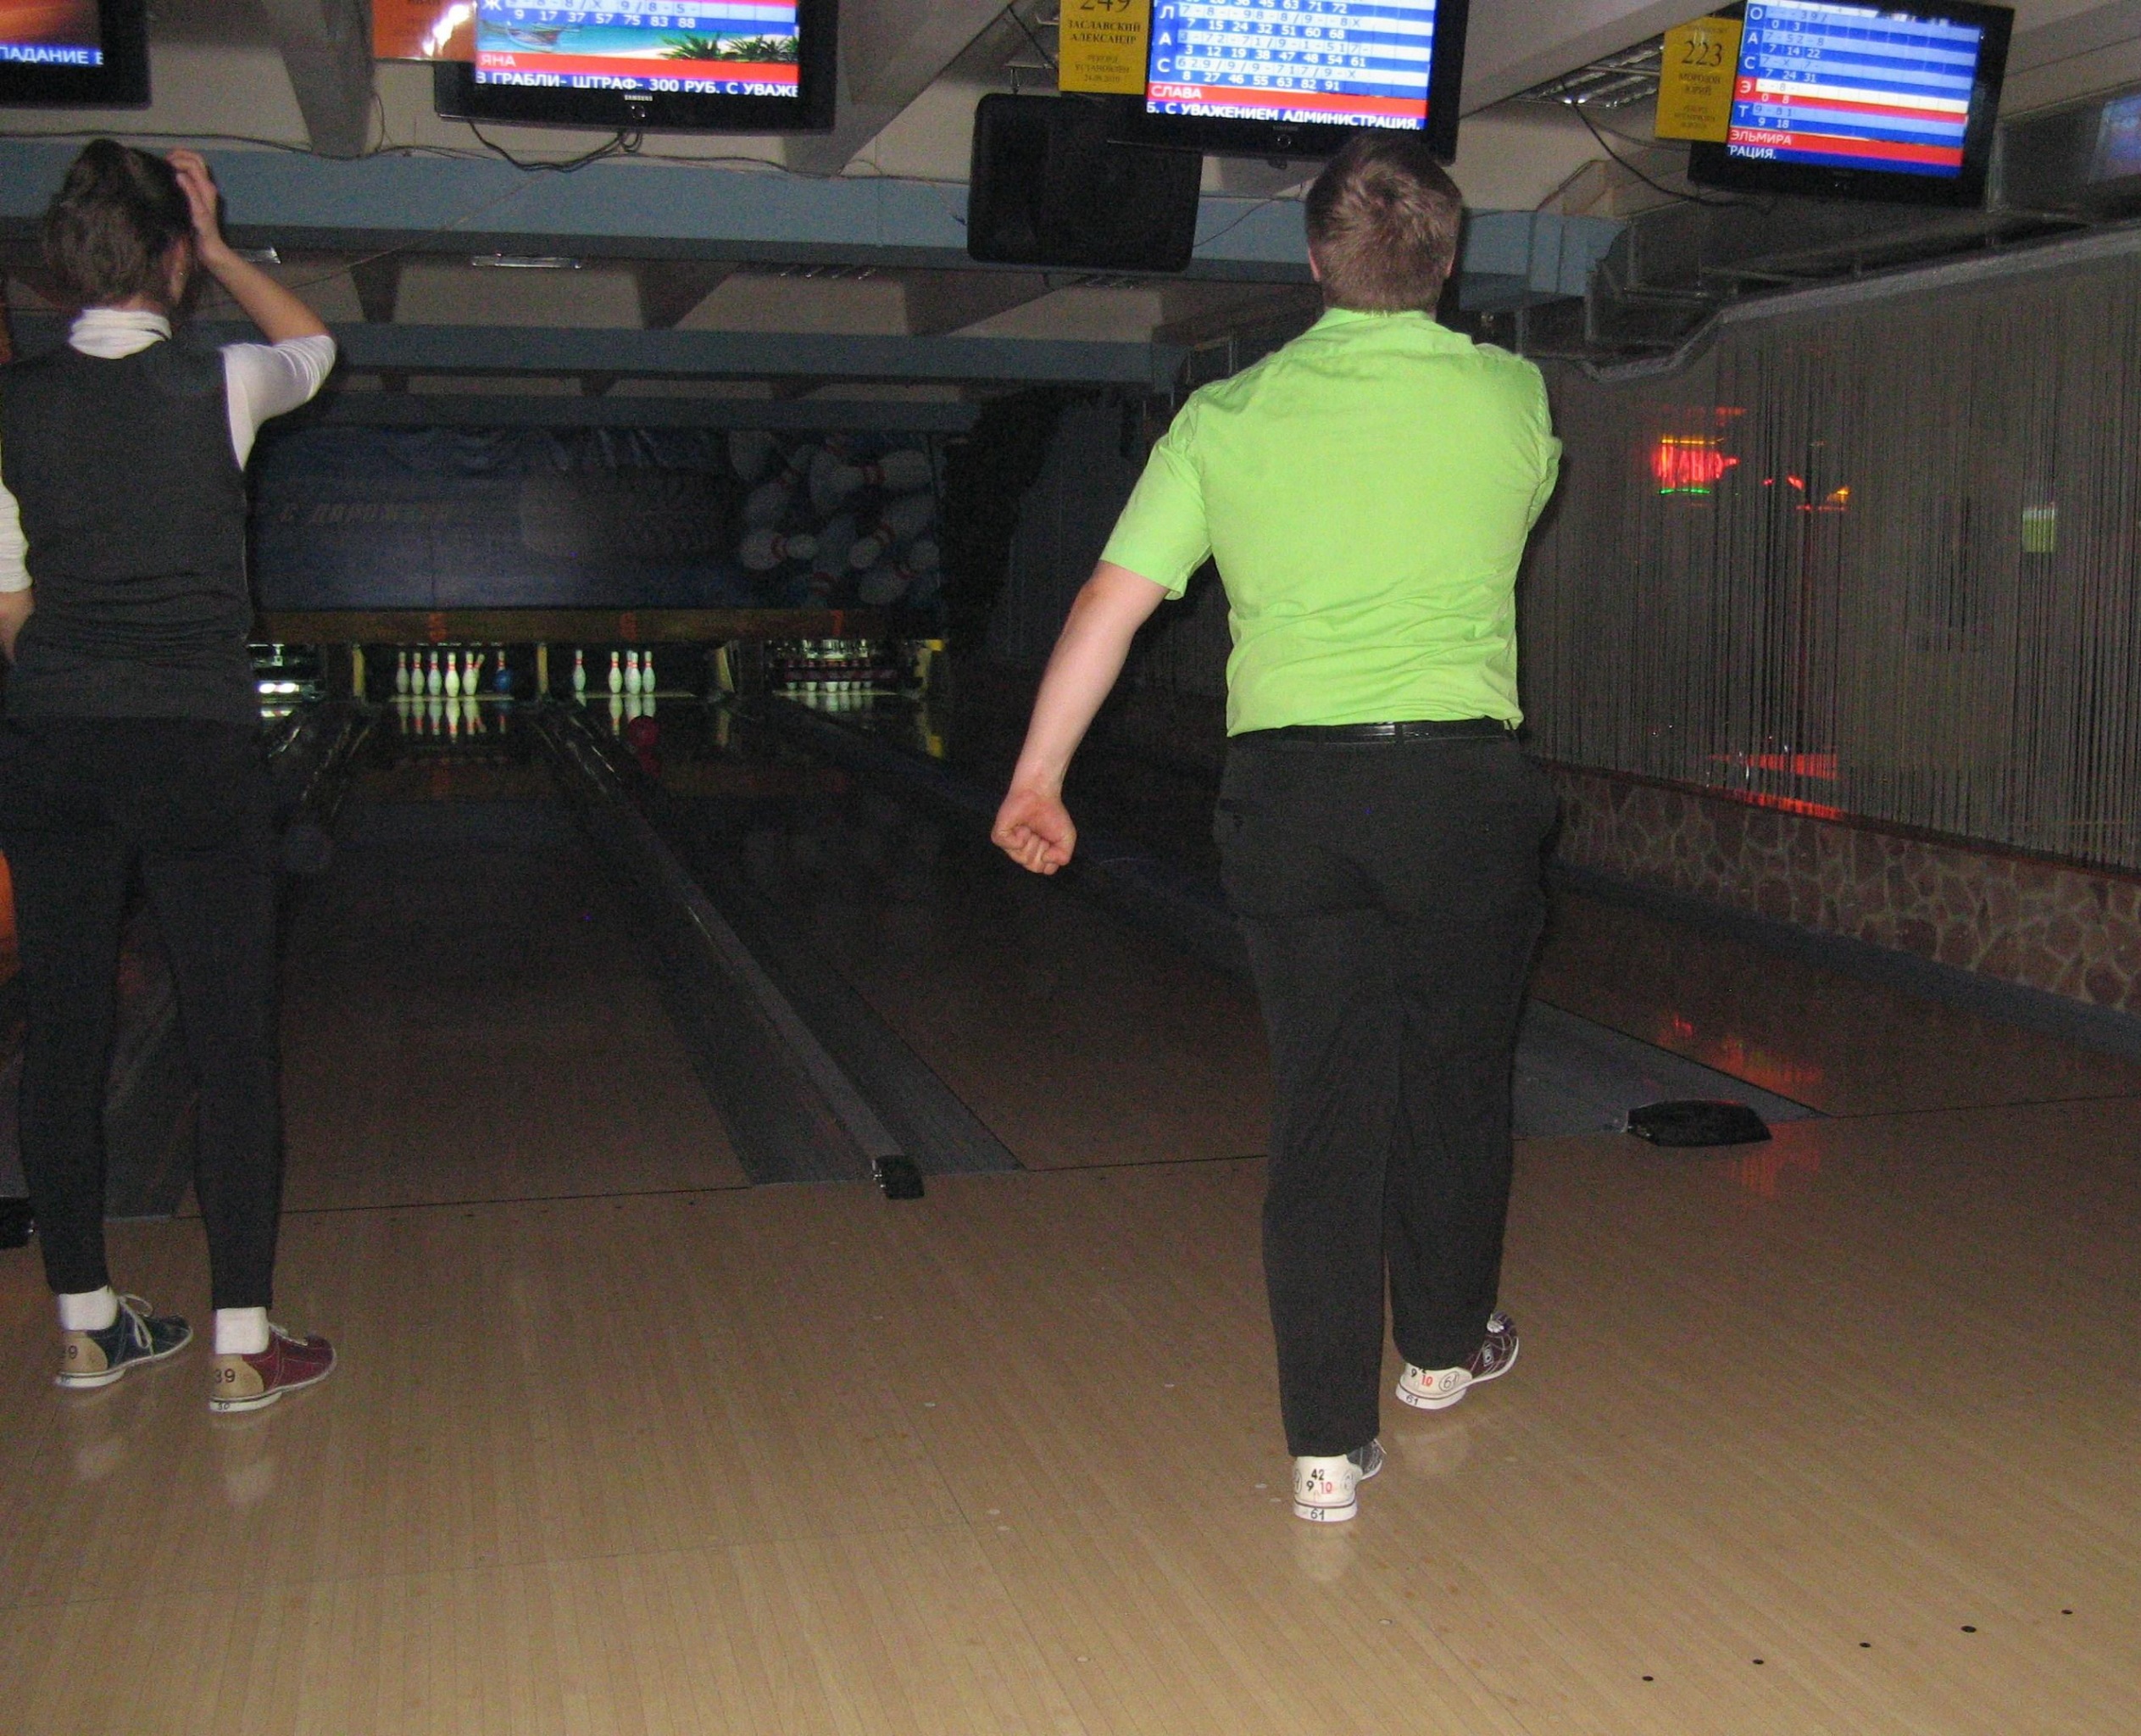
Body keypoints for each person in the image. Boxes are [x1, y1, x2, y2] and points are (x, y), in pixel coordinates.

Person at [992, 132, 1561, 1522]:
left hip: (1292, 798)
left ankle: (1324, 1444)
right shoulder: (1512, 394)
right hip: (1460, 788)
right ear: (1447, 262)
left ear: (1312, 261)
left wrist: (1037, 777)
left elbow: (1110, 603)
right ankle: (1441, 1351)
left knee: (1324, 1105)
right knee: (1455, 1079)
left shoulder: (1224, 418)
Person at [0, 142, 337, 1411]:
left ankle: (88, 1327)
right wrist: (226, 244)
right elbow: (315, 348)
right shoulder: (222, 379)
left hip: (54, 743)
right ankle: (242, 1342)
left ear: (60, 263)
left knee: (63, 1035)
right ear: (173, 257)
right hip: (196, 746)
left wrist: (84, 677)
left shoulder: (12, 406)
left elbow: (9, 603)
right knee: (229, 1037)